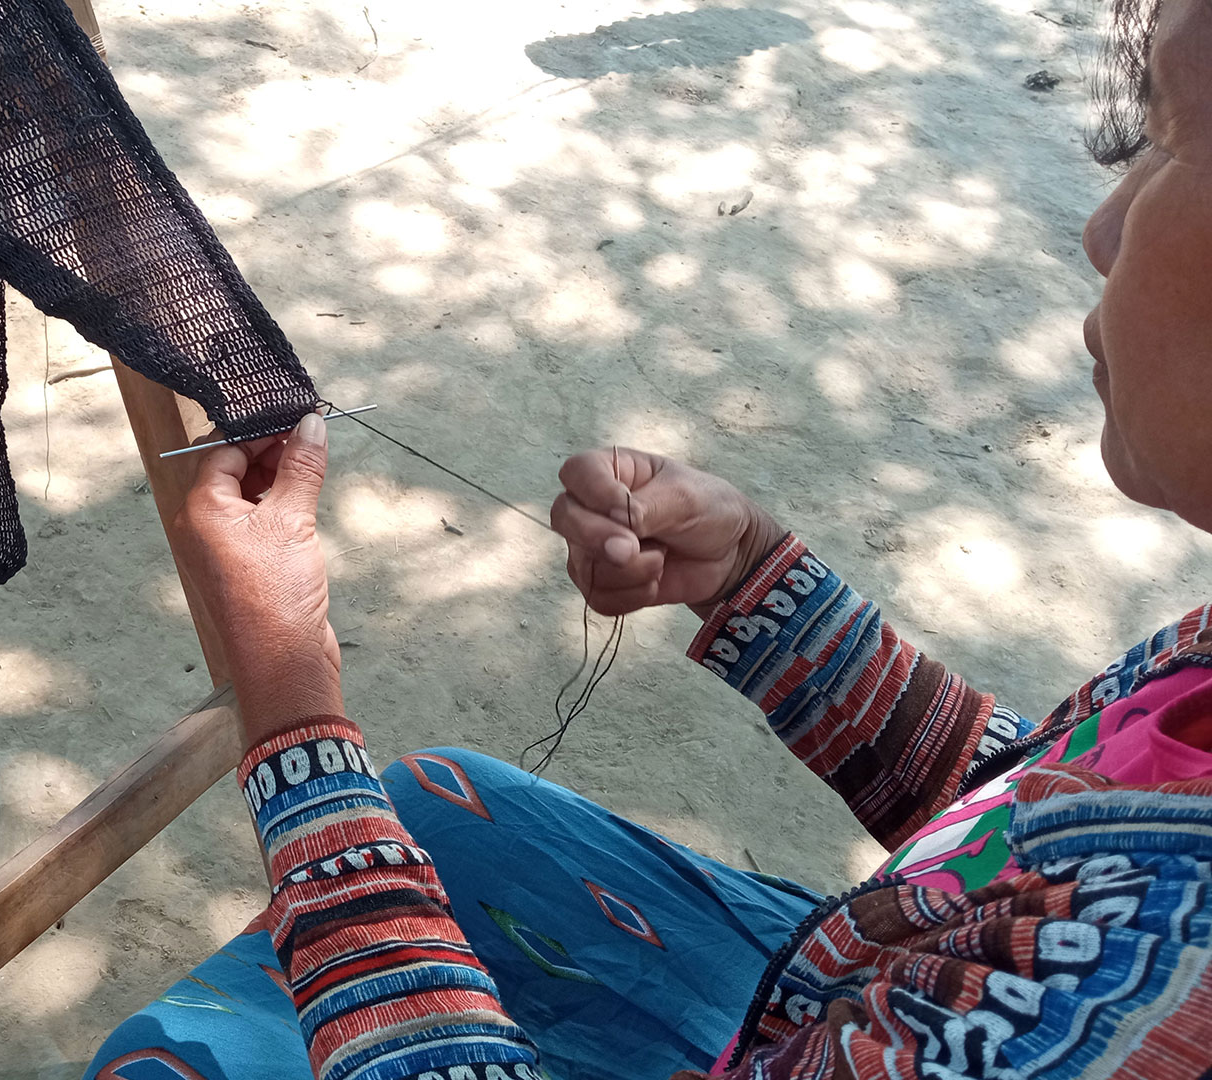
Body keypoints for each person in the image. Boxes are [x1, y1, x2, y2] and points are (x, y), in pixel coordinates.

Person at [85, 0, 1212, 1077]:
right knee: (438, 809)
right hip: (869, 986)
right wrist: (763, 589)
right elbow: (1037, 828)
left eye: (1171, 138)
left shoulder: (1124, 1022)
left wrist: (291, 713)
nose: (1101, 228)